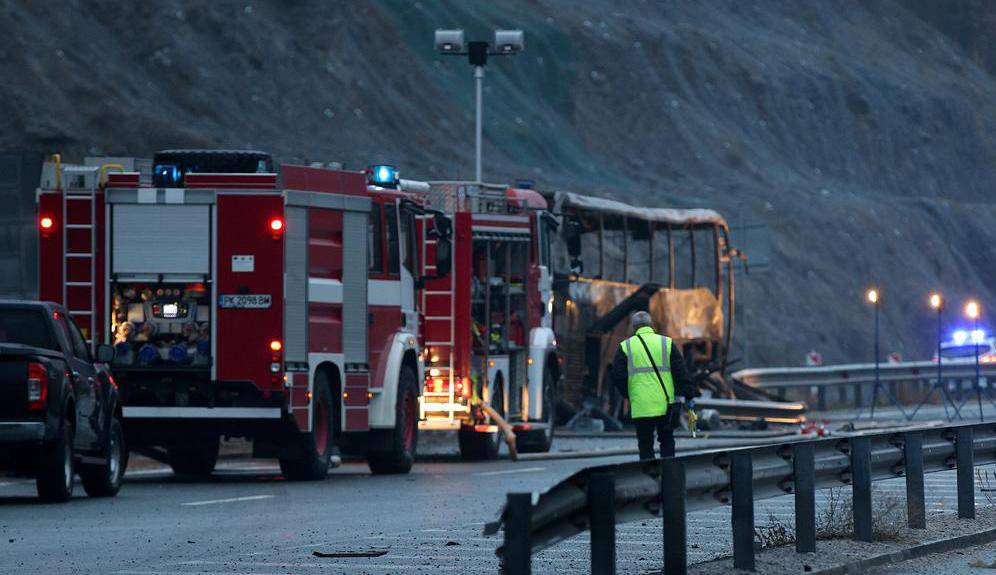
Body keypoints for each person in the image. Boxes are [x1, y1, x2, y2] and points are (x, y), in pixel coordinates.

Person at [611, 310, 695, 460]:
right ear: (651, 325)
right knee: (667, 441)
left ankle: (649, 476)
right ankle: (669, 475)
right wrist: (689, 395)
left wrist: (629, 394)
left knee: (645, 443)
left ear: (634, 327)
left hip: (640, 405)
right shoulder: (666, 343)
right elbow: (681, 372)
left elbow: (618, 376)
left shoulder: (625, 347)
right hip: (665, 404)